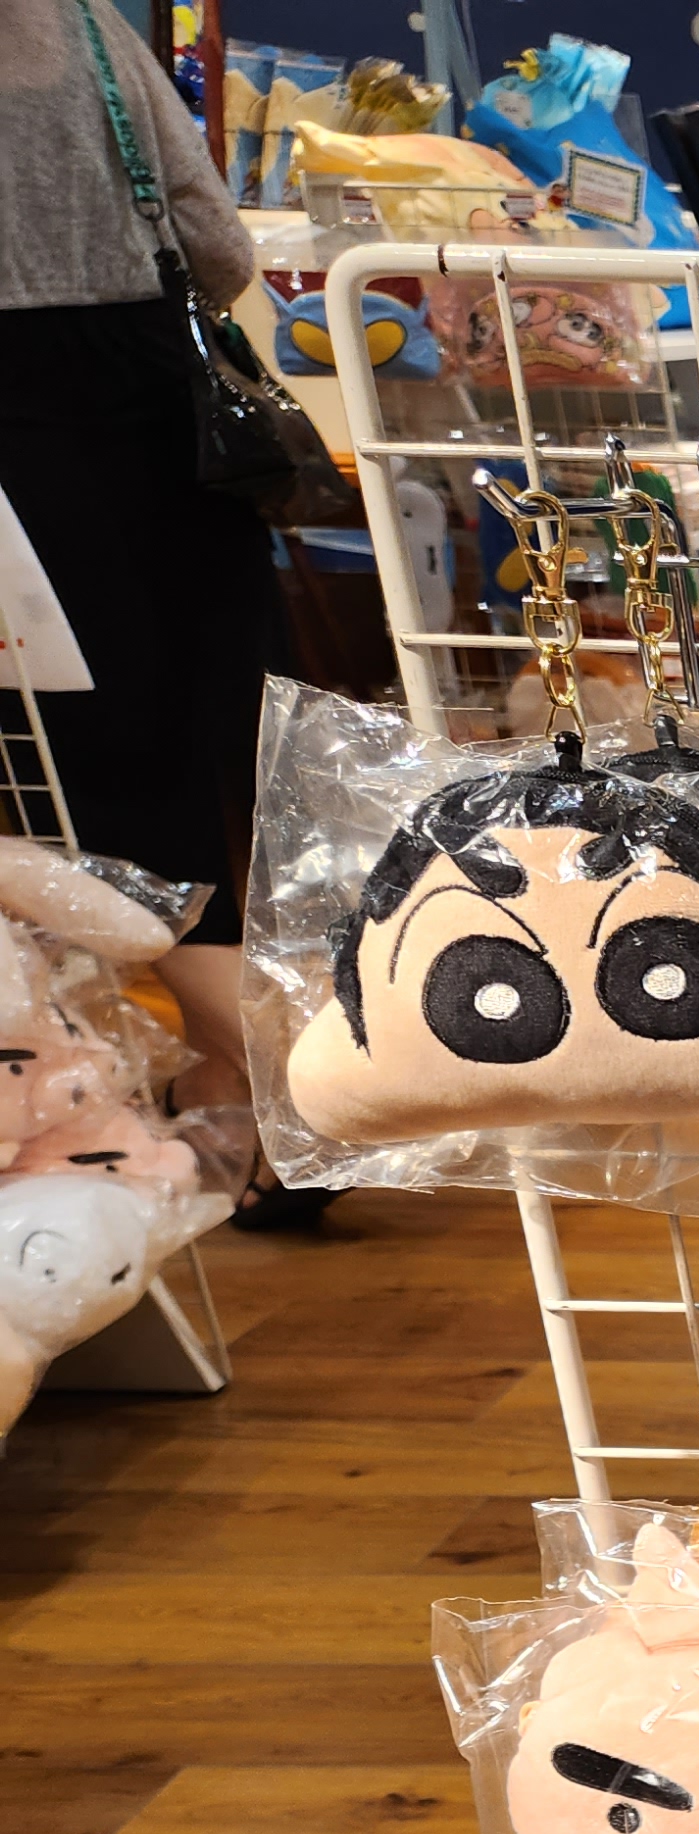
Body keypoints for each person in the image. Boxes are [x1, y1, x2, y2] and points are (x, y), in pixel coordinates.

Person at [0, 0, 298, 1217]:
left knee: (89, 788)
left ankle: (261, 1080)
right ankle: (246, 1078)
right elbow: (216, 247)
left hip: (22, 447)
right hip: (164, 410)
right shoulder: (88, 25)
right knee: (208, 757)